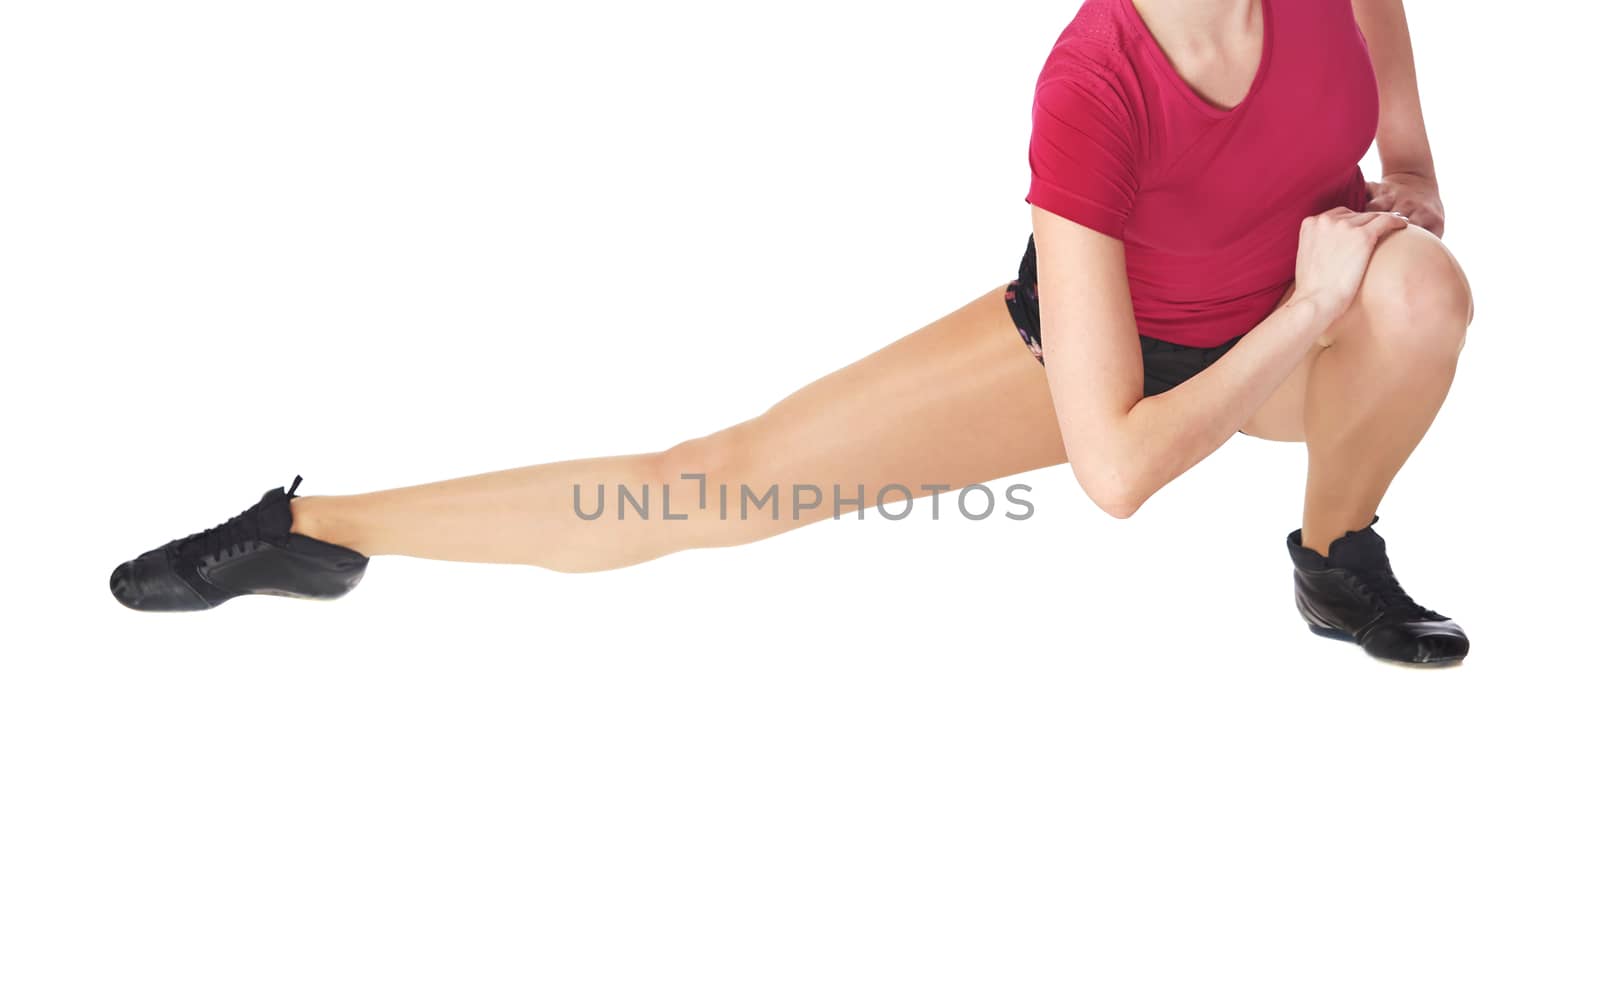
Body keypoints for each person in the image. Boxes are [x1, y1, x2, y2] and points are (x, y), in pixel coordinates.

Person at [108, 0, 1474, 668]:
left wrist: (1404, 155)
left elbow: (1377, 32)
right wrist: (1307, 305)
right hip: (1117, 366)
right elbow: (1112, 472)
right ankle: (320, 529)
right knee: (711, 482)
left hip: (1303, 348)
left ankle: (1330, 553)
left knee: (1425, 293)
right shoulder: (1095, 79)